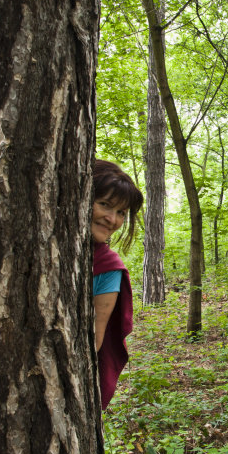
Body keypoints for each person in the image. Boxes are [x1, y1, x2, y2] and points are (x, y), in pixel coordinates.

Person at [92, 159, 143, 409]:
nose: (112, 219)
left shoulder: (108, 266)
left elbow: (94, 340)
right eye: (104, 204)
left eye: (121, 212)